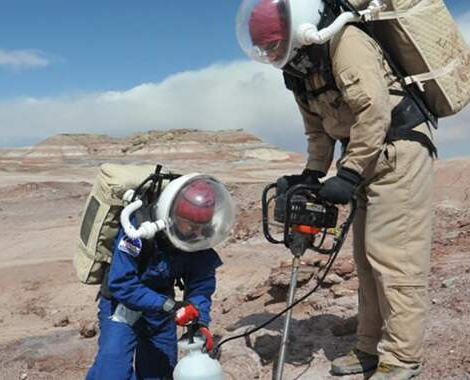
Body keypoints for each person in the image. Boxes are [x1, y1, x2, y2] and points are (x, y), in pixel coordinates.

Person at [243, 1, 436, 379]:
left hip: (398, 151)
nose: (270, 54)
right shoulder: (299, 69)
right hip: (366, 158)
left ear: (296, 29)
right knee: (366, 261)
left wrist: (347, 173)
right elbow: (317, 129)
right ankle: (369, 347)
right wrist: (312, 174)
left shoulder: (344, 42)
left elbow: (374, 110)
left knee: (394, 258)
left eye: (272, 45)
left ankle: (402, 359)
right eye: (265, 48)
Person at [85, 178, 224, 380]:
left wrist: (200, 322)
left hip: (160, 309)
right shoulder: (137, 226)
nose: (196, 231)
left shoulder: (197, 237)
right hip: (121, 305)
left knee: (159, 373)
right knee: (112, 372)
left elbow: (200, 286)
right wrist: (169, 306)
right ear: (173, 217)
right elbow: (122, 284)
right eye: (191, 225)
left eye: (201, 226)